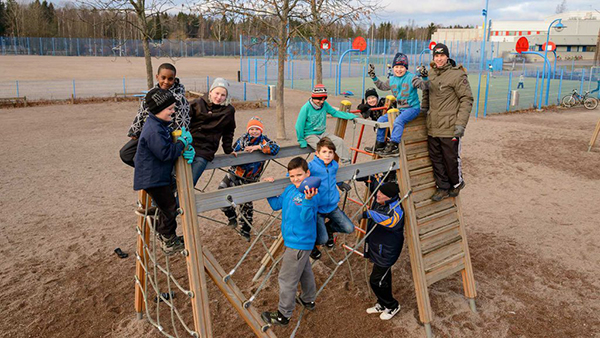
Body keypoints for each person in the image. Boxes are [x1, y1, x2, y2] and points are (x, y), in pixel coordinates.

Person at [133, 88, 195, 254]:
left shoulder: (158, 125)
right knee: (170, 208)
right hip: (153, 178)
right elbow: (166, 153)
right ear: (159, 109)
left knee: (167, 206)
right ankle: (168, 241)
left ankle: (164, 230)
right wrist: (181, 143)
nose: (174, 112)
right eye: (170, 109)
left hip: (155, 176)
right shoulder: (154, 130)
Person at [261, 157, 319, 327]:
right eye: (292, 176)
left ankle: (283, 315)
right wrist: (269, 188)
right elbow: (276, 205)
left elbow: (307, 218)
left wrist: (308, 201)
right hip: (294, 241)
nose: (295, 179)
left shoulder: (311, 194)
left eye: (299, 175)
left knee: (286, 279)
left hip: (299, 243)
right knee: (304, 271)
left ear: (307, 173)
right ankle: (308, 300)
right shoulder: (289, 189)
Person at [421, 43, 473, 201]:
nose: (439, 59)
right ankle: (442, 187)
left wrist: (460, 125)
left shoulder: (457, 75)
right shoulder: (431, 74)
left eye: (442, 56)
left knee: (450, 159)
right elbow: (426, 94)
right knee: (436, 158)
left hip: (450, 126)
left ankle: (457, 183)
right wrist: (423, 111)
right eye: (436, 56)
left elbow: (467, 99)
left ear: (447, 57)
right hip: (433, 125)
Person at [218, 116, 280, 241]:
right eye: (252, 129)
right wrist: (234, 152)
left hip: (250, 178)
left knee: (246, 205)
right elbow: (232, 150)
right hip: (235, 173)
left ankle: (245, 230)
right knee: (221, 191)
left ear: (261, 131)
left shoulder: (264, 141)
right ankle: (231, 216)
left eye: (257, 129)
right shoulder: (242, 140)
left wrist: (257, 148)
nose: (254, 131)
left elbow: (275, 148)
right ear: (248, 130)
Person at [121, 63, 190, 167]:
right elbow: (142, 113)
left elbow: (182, 122)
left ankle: (161, 170)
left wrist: (178, 141)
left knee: (159, 154)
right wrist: (135, 132)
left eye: (170, 79)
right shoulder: (150, 94)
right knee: (126, 153)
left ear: (175, 79)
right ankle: (153, 168)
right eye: (163, 78)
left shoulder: (179, 99)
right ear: (157, 77)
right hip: (148, 134)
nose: (166, 82)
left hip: (167, 136)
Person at [360, 181, 404, 320]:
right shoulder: (381, 197)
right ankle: (382, 303)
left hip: (386, 251)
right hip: (378, 247)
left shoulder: (396, 209)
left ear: (390, 197)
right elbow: (373, 182)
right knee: (384, 279)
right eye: (378, 191)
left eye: (382, 194)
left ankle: (392, 305)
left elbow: (391, 221)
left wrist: (369, 214)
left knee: (376, 281)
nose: (377, 194)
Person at [367, 53, 425, 156]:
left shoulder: (412, 78)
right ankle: (380, 143)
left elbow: (423, 86)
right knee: (381, 120)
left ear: (406, 68)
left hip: (412, 108)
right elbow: (382, 87)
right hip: (401, 109)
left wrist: (424, 78)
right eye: (396, 67)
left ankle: (394, 145)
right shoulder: (392, 79)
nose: (399, 69)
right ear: (393, 68)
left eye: (402, 67)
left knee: (398, 121)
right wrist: (374, 77)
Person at [307, 138, 353, 260]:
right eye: (324, 152)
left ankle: (329, 229)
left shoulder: (334, 165)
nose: (328, 155)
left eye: (331, 152)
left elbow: (332, 178)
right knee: (322, 239)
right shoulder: (311, 166)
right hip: (318, 208)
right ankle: (311, 246)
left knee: (349, 228)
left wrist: (340, 184)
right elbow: (295, 174)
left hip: (332, 206)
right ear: (317, 153)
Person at [188, 77, 237, 186]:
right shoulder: (197, 103)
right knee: (173, 178)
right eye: (217, 93)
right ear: (210, 92)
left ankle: (178, 203)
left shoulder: (228, 111)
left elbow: (229, 131)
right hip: (188, 144)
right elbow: (183, 121)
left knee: (190, 182)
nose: (219, 97)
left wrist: (228, 149)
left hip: (206, 149)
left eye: (223, 95)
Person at [295, 84, 357, 165]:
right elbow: (299, 125)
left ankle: (347, 164)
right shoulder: (306, 108)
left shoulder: (324, 104)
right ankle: (325, 167)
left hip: (322, 133)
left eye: (324, 99)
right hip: (309, 134)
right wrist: (301, 140)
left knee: (339, 141)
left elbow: (334, 112)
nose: (321, 102)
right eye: (319, 99)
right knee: (323, 148)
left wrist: (349, 116)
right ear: (313, 98)